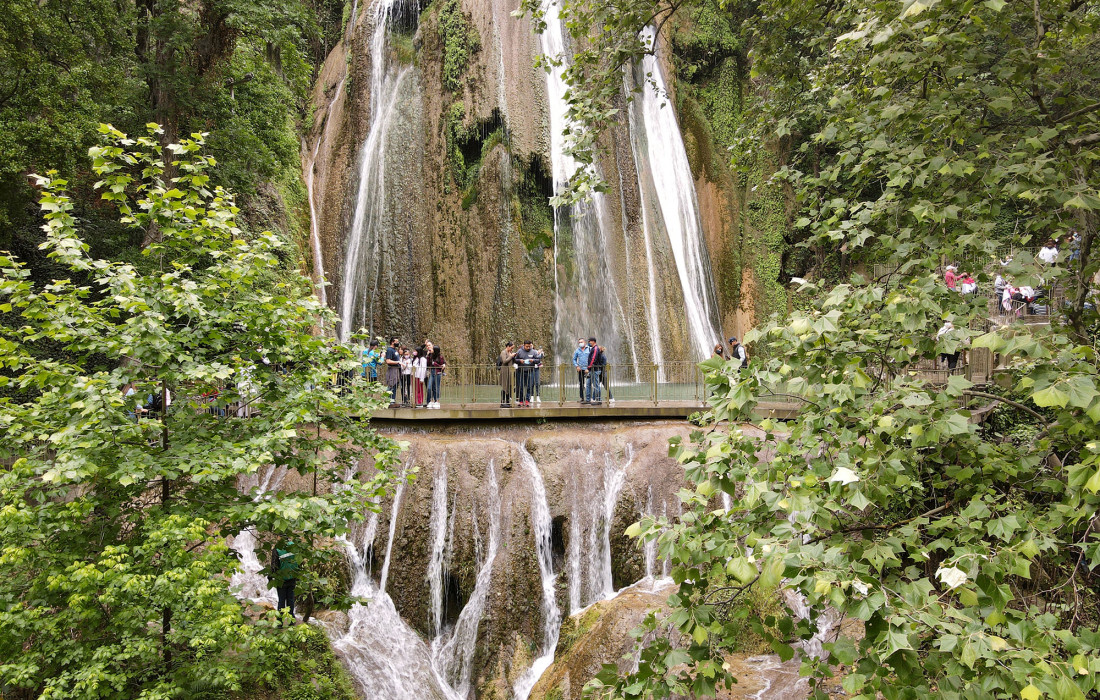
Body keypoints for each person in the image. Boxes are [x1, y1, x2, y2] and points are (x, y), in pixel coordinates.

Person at [269, 540, 298, 622]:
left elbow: (274, 566)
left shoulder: (277, 548)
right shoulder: (294, 545)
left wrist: (270, 577)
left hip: (281, 579)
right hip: (292, 577)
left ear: (279, 537)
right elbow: (299, 560)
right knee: (290, 599)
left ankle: (280, 622)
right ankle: (291, 620)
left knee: (281, 601)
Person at [515, 340, 538, 407]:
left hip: (530, 371)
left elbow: (538, 360)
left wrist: (533, 360)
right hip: (521, 371)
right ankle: (521, 400)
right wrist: (520, 360)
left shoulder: (534, 351)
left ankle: (527, 400)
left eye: (529, 346)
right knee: (521, 386)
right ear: (524, 345)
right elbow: (515, 360)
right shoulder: (519, 351)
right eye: (527, 346)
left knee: (529, 386)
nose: (528, 347)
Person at [584, 337, 604, 405]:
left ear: (593, 342)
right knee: (588, 384)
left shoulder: (595, 348)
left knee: (596, 385)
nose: (589, 343)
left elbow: (593, 359)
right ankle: (588, 399)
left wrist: (588, 368)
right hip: (592, 370)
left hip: (595, 370)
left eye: (590, 341)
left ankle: (598, 400)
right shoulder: (594, 348)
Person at [498, 341, 517, 408]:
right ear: (508, 346)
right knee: (504, 386)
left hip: (509, 372)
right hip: (505, 371)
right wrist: (511, 356)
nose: (512, 349)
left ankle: (507, 401)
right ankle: (502, 402)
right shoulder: (503, 352)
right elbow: (504, 361)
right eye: (511, 348)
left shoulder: (510, 353)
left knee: (509, 386)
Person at [426, 343, 446, 409]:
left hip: (438, 373)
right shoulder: (431, 356)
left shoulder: (440, 357)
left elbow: (442, 366)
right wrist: (428, 356)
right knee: (429, 387)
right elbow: (428, 364)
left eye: (433, 349)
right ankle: (430, 401)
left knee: (436, 388)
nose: (431, 350)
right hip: (432, 373)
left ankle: (437, 401)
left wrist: (435, 364)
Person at [384, 337, 401, 405]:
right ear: (392, 342)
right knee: (391, 384)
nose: (397, 343)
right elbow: (388, 360)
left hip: (396, 370)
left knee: (395, 385)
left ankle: (392, 400)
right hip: (392, 369)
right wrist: (397, 362)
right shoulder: (389, 350)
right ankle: (388, 400)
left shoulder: (394, 350)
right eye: (396, 342)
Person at [572, 338, 590, 403]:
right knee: (581, 384)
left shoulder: (589, 349)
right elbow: (574, 359)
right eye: (579, 342)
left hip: (588, 369)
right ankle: (582, 398)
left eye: (581, 342)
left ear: (584, 342)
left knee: (589, 383)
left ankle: (589, 398)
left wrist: (589, 368)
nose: (580, 343)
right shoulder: (577, 350)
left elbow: (592, 358)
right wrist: (576, 366)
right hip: (580, 369)